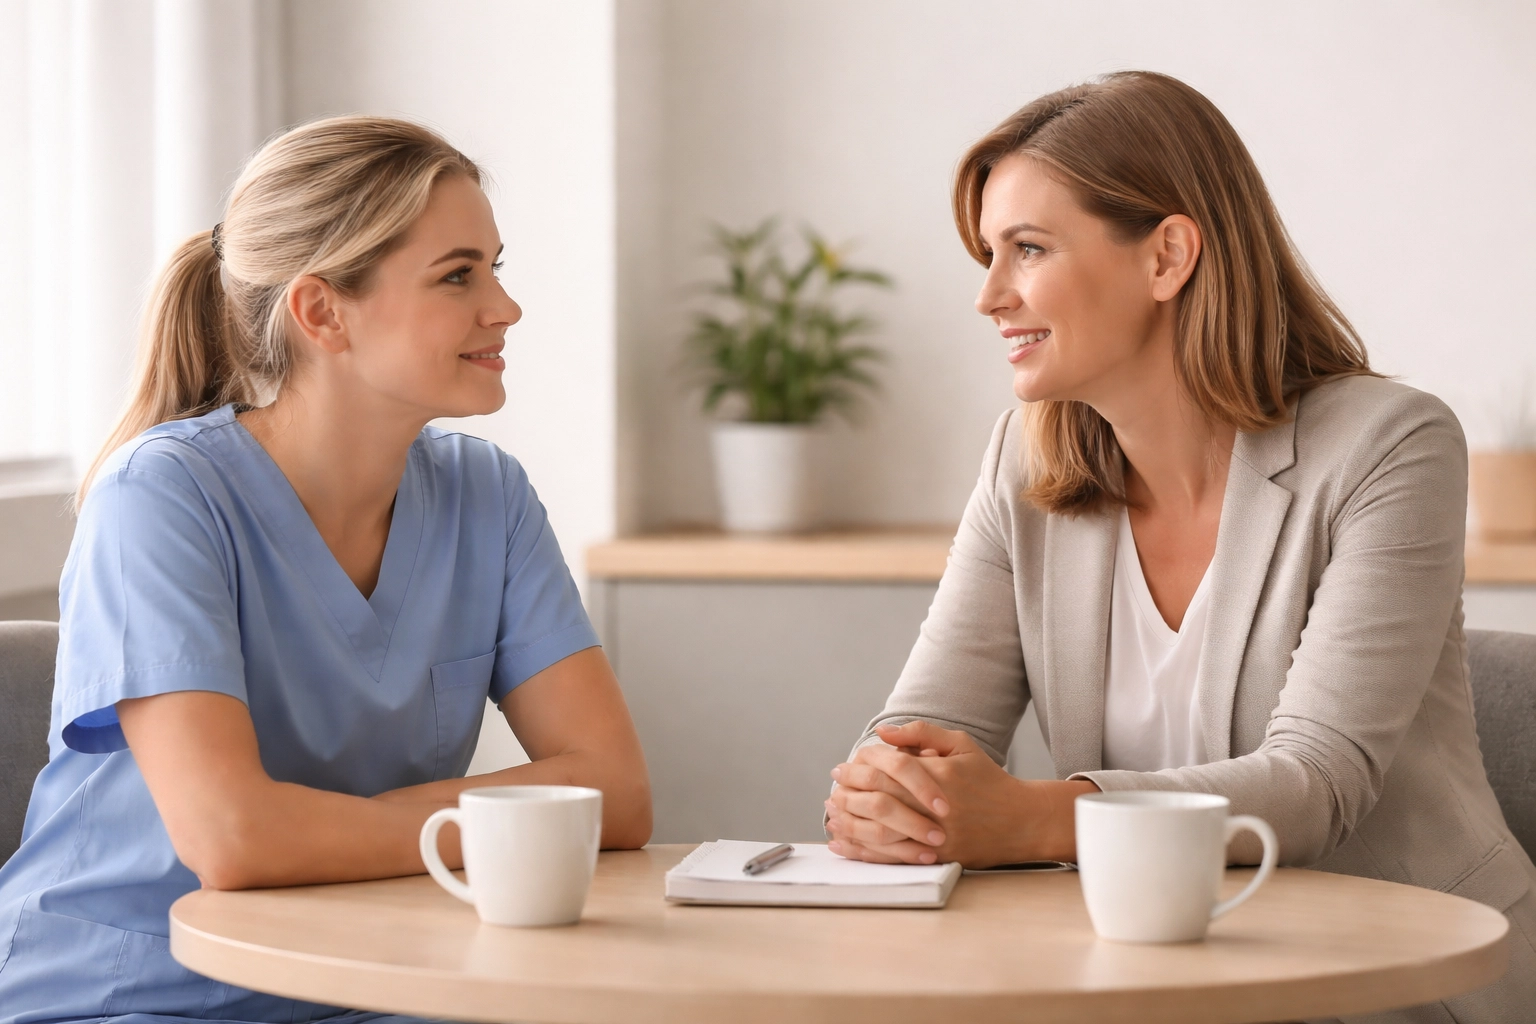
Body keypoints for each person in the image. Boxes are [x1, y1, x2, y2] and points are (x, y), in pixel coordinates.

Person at [823, 71, 1534, 1021]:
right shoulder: (1020, 465)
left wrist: (1029, 817)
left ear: (1167, 256)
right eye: (989, 255)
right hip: (1154, 979)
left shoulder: (1391, 445)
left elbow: (1314, 785)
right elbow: (925, 727)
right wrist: (889, 791)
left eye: (1027, 249)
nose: (990, 296)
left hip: (1404, 979)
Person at [0, 116, 651, 1024]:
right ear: (320, 312)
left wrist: (306, 830)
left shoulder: (487, 496)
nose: (504, 308)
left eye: (496, 269)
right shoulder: (160, 498)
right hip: (132, 995)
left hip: (370, 984)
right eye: (458, 275)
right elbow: (232, 839)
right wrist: (498, 815)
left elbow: (615, 796)